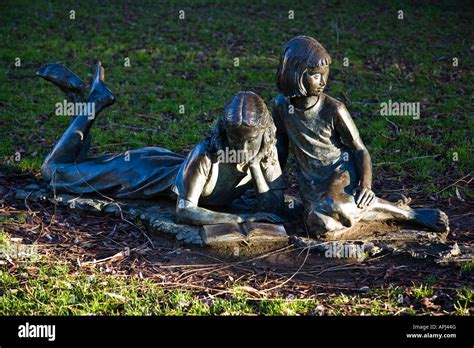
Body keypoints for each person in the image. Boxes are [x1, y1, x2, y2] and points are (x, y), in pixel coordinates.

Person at [37, 62, 286, 226]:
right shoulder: (206, 155)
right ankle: (95, 102)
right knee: (54, 171)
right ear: (224, 132)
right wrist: (242, 219)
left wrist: (255, 167)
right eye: (235, 140)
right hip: (140, 174)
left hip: (162, 163)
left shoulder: (266, 150)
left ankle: (80, 100)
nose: (242, 149)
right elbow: (185, 210)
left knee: (77, 166)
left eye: (250, 141)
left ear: (264, 133)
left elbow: (273, 209)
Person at [272, 35, 449, 239]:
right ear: (295, 75)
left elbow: (359, 149)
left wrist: (365, 186)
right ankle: (374, 206)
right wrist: (273, 184)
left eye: (325, 74)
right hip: (311, 182)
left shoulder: (333, 109)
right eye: (315, 75)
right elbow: (281, 147)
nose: (323, 82)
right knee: (319, 226)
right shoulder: (281, 106)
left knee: (333, 206)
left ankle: (411, 214)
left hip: (340, 171)